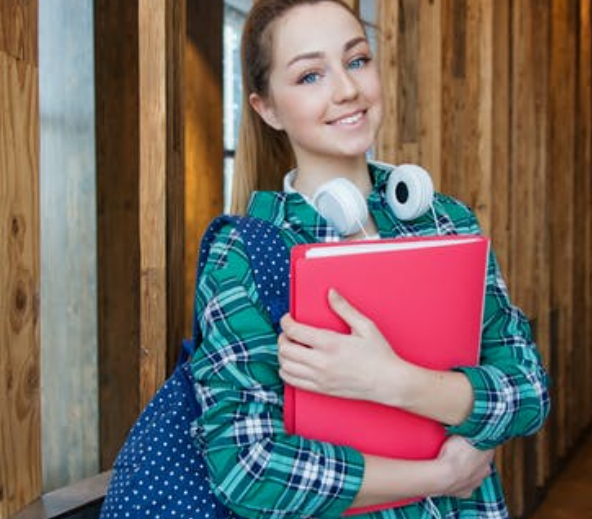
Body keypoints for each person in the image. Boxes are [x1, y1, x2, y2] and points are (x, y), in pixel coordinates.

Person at [190, 0, 551, 517]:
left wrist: (395, 382)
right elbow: (248, 467)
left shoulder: (446, 221)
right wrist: (441, 475)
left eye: (356, 60)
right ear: (266, 108)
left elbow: (530, 391)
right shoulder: (246, 253)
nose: (347, 90)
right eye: (311, 75)